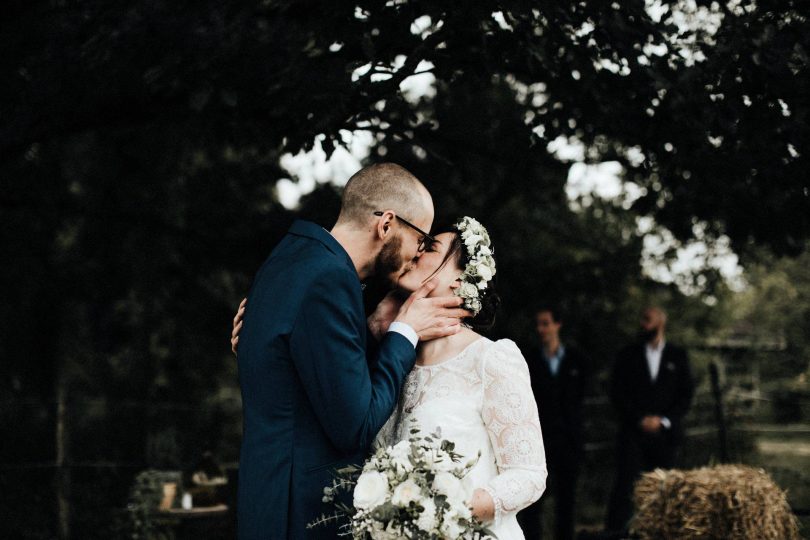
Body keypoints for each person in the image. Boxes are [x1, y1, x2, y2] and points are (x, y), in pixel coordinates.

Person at [233, 163, 470, 540]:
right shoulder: (330, 279)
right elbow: (355, 426)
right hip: (299, 512)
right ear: (387, 224)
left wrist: (374, 330)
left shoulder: (291, 257)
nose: (419, 253)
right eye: (421, 238)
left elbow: (301, 359)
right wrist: (404, 333)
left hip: (267, 497)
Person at [374, 217, 548, 540]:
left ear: (459, 279)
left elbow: (529, 474)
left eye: (429, 248)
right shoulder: (395, 361)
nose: (416, 251)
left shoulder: (491, 359)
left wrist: (443, 515)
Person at [604, 306, 695, 534]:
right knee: (626, 489)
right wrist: (639, 419)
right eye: (642, 319)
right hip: (633, 434)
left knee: (667, 490)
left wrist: (664, 421)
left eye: (648, 319)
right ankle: (619, 534)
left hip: (665, 436)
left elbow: (686, 394)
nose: (643, 324)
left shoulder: (677, 355)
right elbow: (617, 392)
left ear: (661, 322)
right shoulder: (628, 355)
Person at [518, 307, 590, 540]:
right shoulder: (529, 361)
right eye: (538, 324)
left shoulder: (577, 361)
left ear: (558, 325)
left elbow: (581, 400)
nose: (541, 329)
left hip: (569, 441)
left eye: (545, 323)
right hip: (539, 440)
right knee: (532, 504)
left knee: (567, 503)